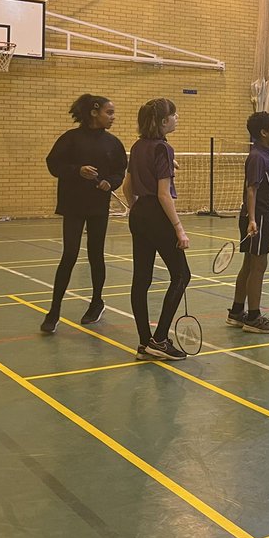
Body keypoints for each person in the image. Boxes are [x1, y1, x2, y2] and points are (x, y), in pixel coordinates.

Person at [42, 94, 127, 334]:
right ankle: (54, 310)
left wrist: (110, 183)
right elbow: (53, 164)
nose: (113, 117)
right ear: (94, 112)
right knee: (69, 254)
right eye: (109, 113)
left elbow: (120, 171)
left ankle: (96, 302)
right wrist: (77, 170)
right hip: (73, 205)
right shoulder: (70, 139)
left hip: (98, 206)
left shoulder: (113, 143)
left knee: (95, 254)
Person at [122, 98, 190, 360]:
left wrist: (138, 209)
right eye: (174, 114)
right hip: (157, 215)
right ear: (164, 122)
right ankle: (160, 339)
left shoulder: (138, 146)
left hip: (139, 214)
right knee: (182, 274)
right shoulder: (163, 149)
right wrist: (179, 229)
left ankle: (144, 343)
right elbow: (164, 194)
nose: (177, 117)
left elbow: (127, 187)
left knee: (142, 279)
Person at [225, 112, 269, 335]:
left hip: (260, 217)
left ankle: (237, 312)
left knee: (249, 264)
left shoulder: (265, 155)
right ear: (263, 132)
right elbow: (251, 189)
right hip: (259, 217)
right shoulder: (258, 157)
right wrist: (252, 219)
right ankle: (254, 316)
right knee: (259, 265)